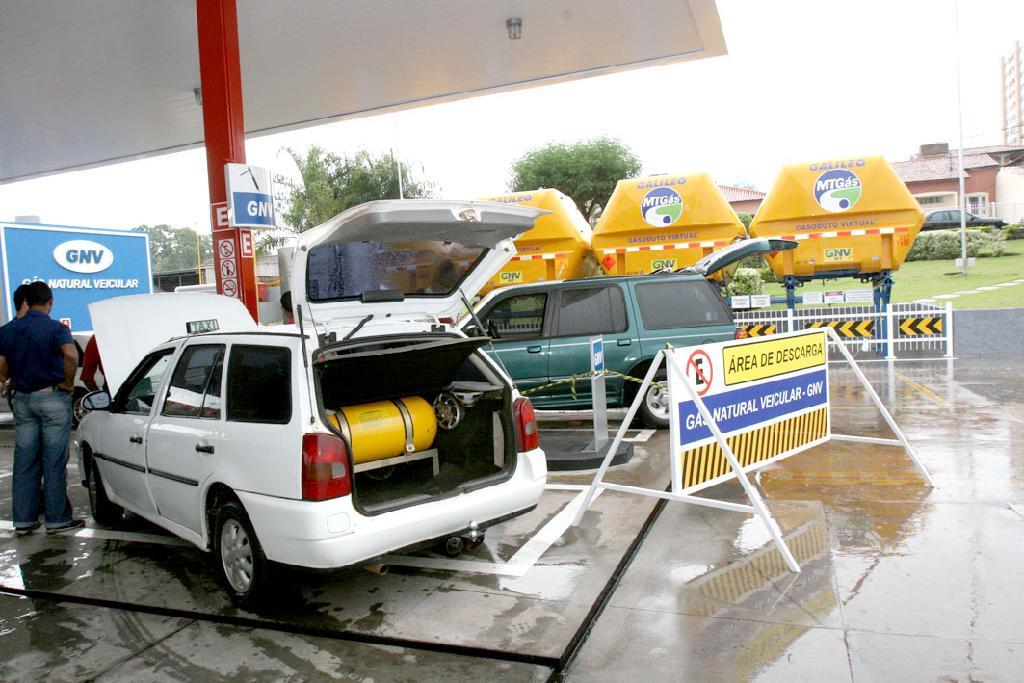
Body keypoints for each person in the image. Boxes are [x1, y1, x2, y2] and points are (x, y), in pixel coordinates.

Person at [0, 281, 83, 535]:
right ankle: (57, 520)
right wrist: (68, 383)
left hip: (23, 400)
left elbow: (1, 362)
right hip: (52, 397)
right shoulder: (56, 329)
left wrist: (6, 380)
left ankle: (24, 520)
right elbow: (71, 356)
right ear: (50, 301)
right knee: (54, 461)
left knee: (25, 461)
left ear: (26, 301)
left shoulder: (9, 330)